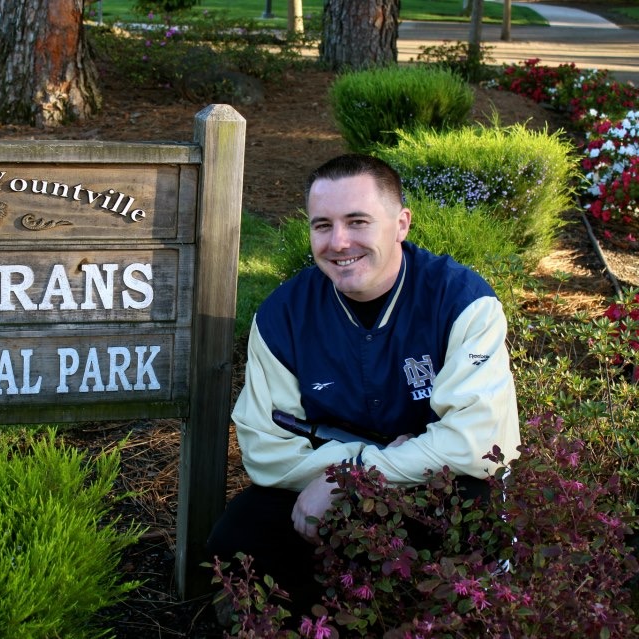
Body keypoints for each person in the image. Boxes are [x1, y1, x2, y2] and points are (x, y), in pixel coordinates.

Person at [207, 153, 521, 614]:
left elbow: (474, 445)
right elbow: (265, 447)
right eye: (322, 225)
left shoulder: (464, 302)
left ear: (401, 224)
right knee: (238, 537)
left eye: (357, 221)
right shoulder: (283, 315)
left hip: (441, 489)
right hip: (327, 486)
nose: (338, 242)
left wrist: (355, 474)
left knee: (475, 518)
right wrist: (348, 475)